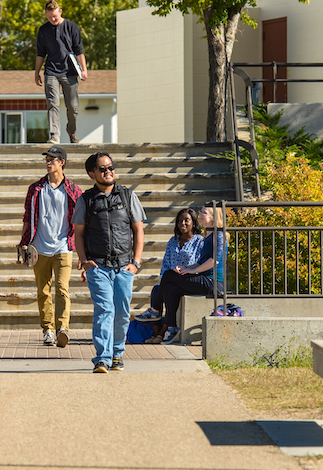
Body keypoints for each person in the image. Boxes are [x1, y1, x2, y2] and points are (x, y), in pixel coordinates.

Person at [74, 152, 146, 373]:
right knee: (104, 309)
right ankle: (102, 358)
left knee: (122, 311)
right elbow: (78, 234)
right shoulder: (85, 199)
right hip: (98, 266)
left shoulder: (127, 196)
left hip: (124, 265)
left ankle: (117, 354)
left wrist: (135, 262)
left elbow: (138, 230)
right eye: (103, 169)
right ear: (92, 174)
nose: (108, 172)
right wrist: (84, 261)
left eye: (111, 167)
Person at [19, 145, 83, 347]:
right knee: (43, 291)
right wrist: (23, 244)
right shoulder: (36, 189)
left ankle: (62, 328)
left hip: (64, 245)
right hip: (39, 247)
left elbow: (81, 222)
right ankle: (48, 330)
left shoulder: (73, 190)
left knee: (62, 288)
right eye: (47, 159)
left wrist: (83, 251)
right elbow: (27, 219)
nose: (48, 162)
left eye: (53, 159)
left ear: (62, 162)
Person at [144, 205, 227, 345]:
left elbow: (215, 261)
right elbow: (201, 261)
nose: (200, 214)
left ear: (213, 218)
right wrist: (186, 268)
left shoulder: (219, 235)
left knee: (169, 275)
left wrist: (193, 271)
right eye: (200, 212)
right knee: (170, 289)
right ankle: (171, 327)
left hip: (213, 283)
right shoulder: (208, 236)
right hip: (203, 279)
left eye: (204, 213)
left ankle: (155, 310)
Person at [135, 208, 204, 331]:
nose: (183, 223)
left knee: (166, 289)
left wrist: (184, 269)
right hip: (170, 278)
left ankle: (162, 331)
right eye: (180, 221)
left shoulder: (199, 241)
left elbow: (198, 263)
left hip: (187, 279)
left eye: (186, 220)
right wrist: (170, 273)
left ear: (193, 222)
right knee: (158, 289)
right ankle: (156, 331)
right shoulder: (173, 241)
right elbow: (165, 264)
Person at [34, 0, 88, 144]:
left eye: (55, 16)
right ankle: (54, 135)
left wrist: (84, 69)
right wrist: (37, 72)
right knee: (52, 104)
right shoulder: (43, 30)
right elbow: (40, 53)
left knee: (73, 107)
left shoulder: (71, 27)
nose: (52, 19)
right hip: (51, 71)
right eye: (49, 16)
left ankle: (72, 132)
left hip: (69, 71)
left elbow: (79, 51)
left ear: (60, 12)